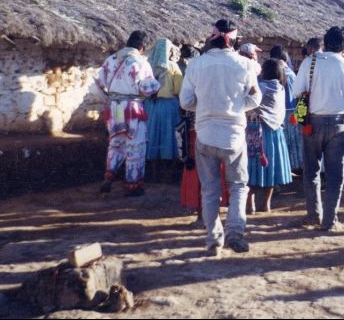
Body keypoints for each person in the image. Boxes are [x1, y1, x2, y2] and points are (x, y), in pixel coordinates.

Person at [179, 19, 262, 256]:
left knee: (210, 190)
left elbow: (186, 102)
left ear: (212, 37)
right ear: (235, 40)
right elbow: (256, 99)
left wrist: (205, 107)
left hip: (205, 135)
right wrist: (236, 106)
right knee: (238, 186)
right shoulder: (245, 65)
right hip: (234, 136)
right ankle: (235, 234)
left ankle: (213, 239)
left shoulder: (196, 64)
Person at [293, 26, 344, 231]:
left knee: (311, 172)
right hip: (338, 124)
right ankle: (329, 220)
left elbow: (298, 93)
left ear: (325, 42)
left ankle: (313, 215)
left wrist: (304, 118)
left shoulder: (310, 62)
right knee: (335, 175)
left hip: (312, 123)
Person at [96, 31, 161, 196]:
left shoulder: (110, 60)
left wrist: (109, 98)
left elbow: (98, 82)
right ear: (142, 47)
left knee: (117, 142)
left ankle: (109, 177)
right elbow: (147, 89)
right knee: (135, 145)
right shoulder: (141, 62)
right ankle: (133, 185)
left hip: (115, 107)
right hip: (132, 107)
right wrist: (156, 83)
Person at [247, 59, 292, 213]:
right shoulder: (281, 88)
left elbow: (248, 101)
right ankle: (266, 204)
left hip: (256, 130)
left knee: (251, 167)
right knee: (272, 168)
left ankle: (249, 203)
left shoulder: (262, 87)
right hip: (275, 132)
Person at [144, 38, 183, 180]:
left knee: (152, 134)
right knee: (169, 136)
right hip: (168, 107)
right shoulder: (173, 67)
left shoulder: (148, 66)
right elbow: (179, 89)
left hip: (151, 105)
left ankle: (153, 173)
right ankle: (168, 174)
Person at [270, 46, 303, 173]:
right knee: (294, 139)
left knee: (283, 140)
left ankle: (285, 167)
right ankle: (296, 165)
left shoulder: (275, 71)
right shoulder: (292, 73)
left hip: (280, 111)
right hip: (294, 110)